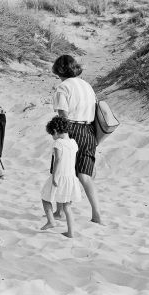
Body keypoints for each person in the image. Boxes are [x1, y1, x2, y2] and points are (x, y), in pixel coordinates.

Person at [51, 54, 102, 224]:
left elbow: (63, 116)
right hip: (89, 130)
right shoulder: (87, 86)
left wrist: (60, 137)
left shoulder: (63, 87)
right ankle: (96, 214)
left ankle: (59, 212)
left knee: (63, 170)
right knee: (85, 175)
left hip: (72, 129)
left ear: (58, 70)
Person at [40, 116, 81, 237]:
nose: (52, 137)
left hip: (59, 176)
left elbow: (57, 161)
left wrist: (54, 177)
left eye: (52, 134)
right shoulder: (73, 143)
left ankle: (51, 221)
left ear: (56, 131)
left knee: (45, 197)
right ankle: (71, 232)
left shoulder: (58, 143)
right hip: (70, 177)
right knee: (67, 207)